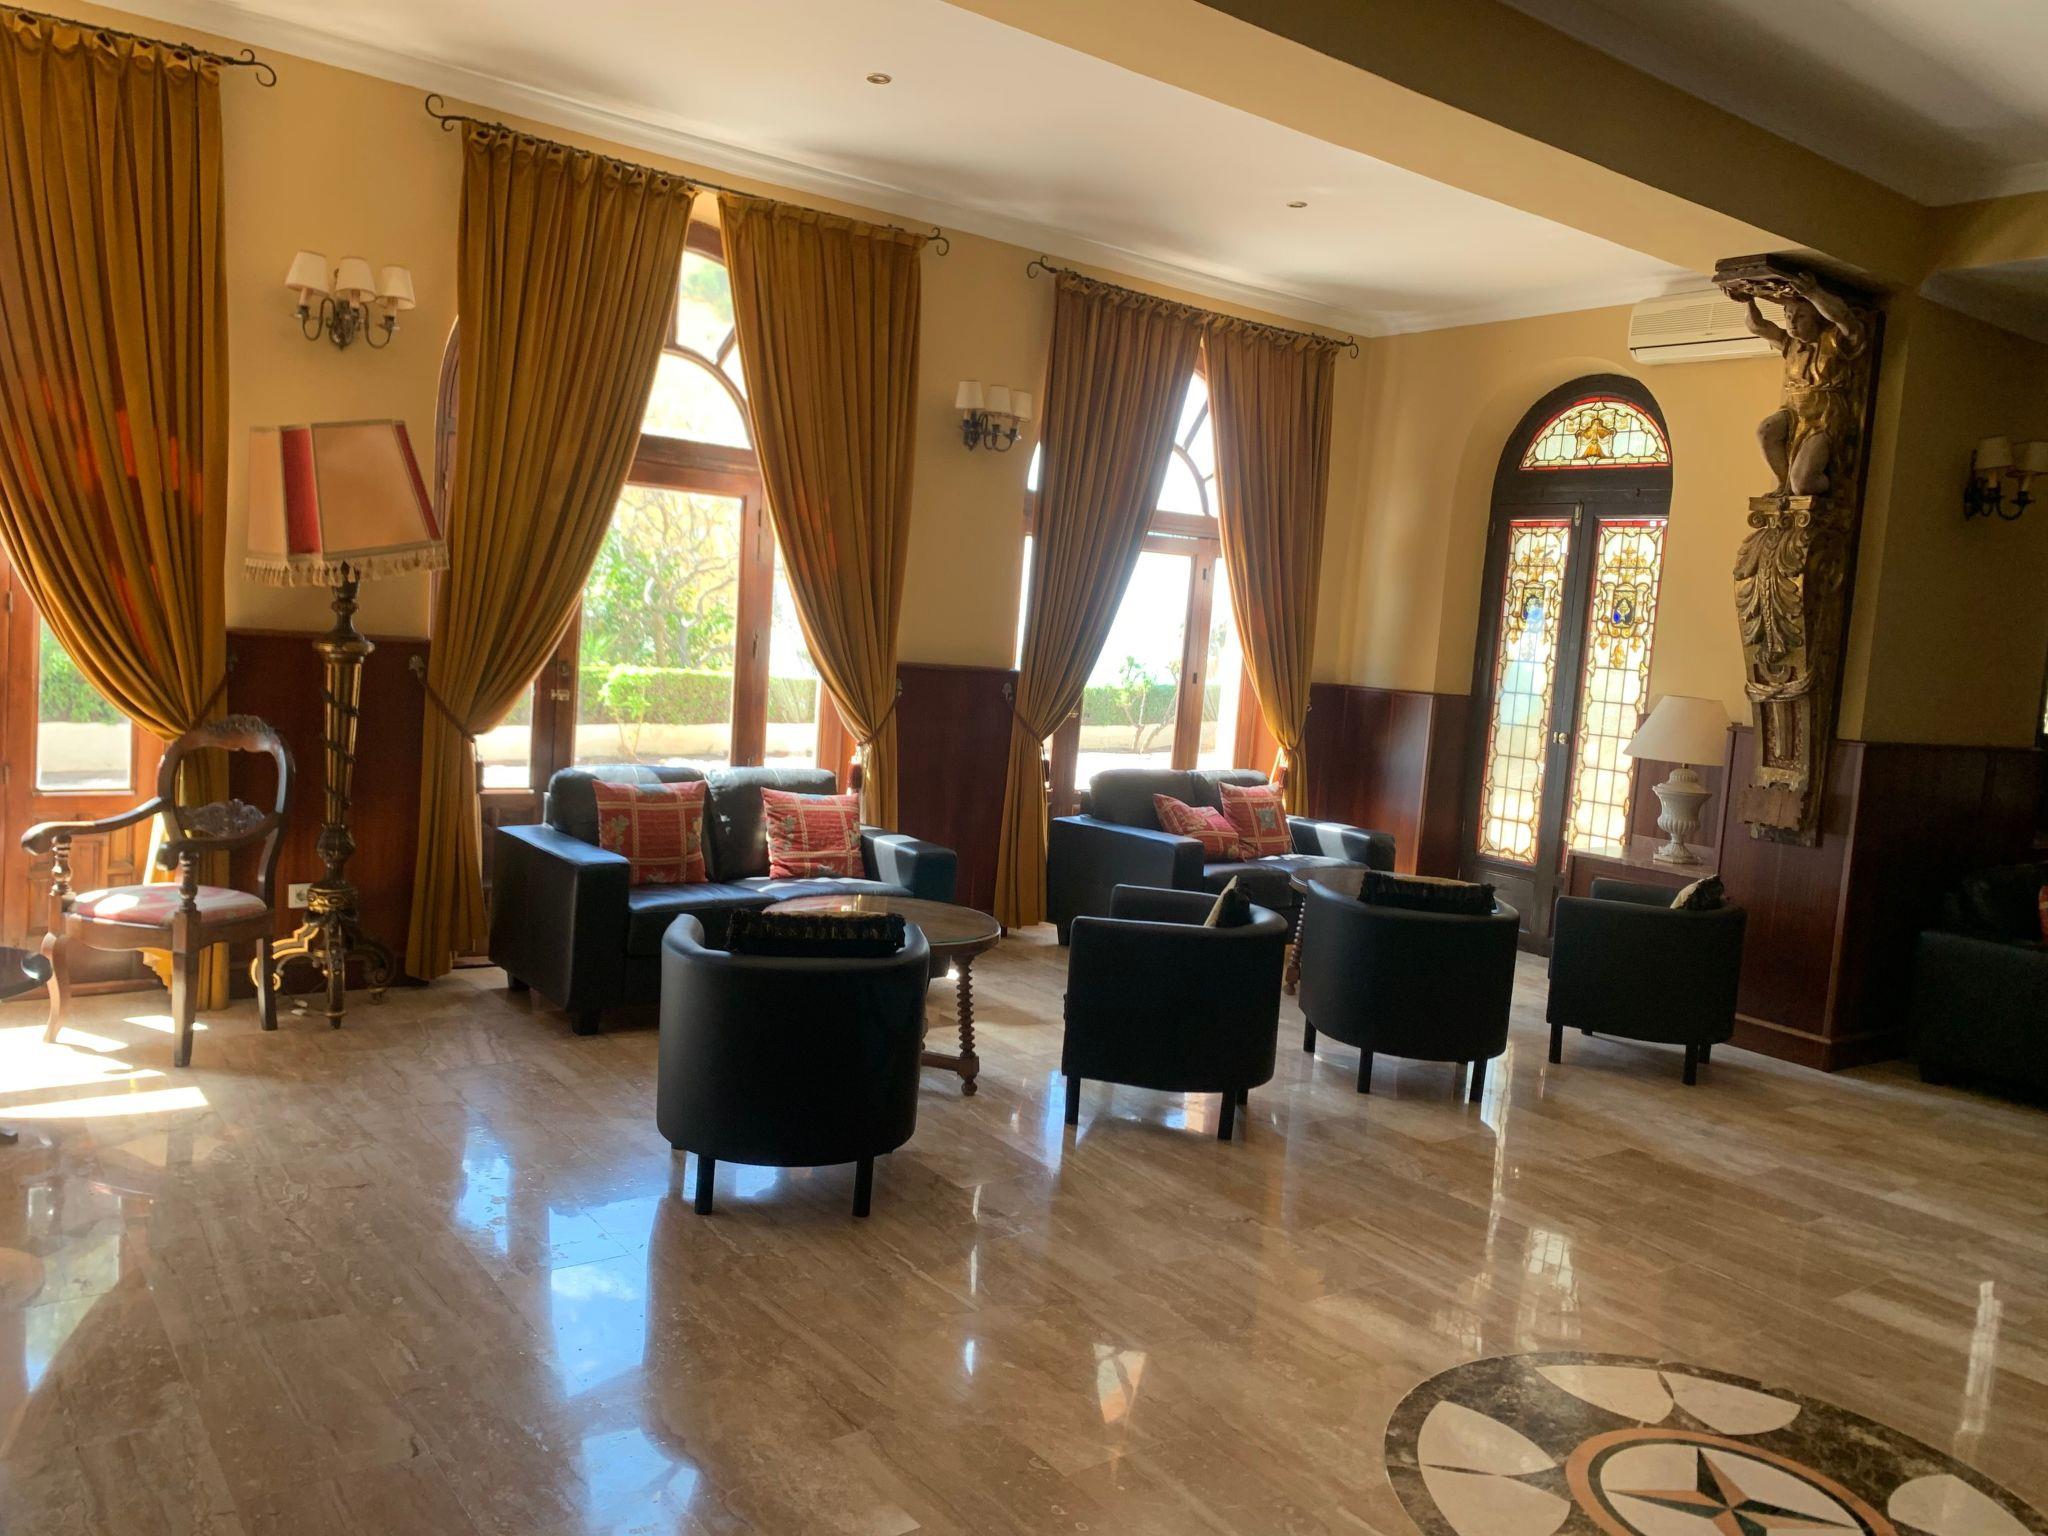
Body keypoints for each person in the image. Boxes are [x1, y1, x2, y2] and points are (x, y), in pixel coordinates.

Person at [1738, 270, 1866, 498]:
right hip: (1794, 411)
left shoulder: (1836, 340)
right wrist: (1747, 299)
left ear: (1817, 317)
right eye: (1788, 316)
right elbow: (1757, 326)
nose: (1792, 322)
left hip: (1826, 415)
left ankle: (1831, 487)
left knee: (1803, 484)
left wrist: (1814, 293)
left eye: (1800, 316)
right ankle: (1783, 484)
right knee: (1765, 430)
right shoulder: (1790, 344)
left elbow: (1845, 318)